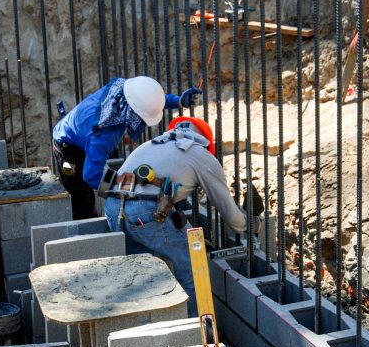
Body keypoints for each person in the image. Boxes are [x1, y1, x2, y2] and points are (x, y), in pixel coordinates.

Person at [102, 116, 263, 316]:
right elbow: (231, 216)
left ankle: (150, 329)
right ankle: (198, 331)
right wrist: (251, 223)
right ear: (205, 142)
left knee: (141, 277)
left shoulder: (152, 144)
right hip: (144, 213)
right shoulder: (200, 156)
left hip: (111, 208)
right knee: (194, 265)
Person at [52, 76, 201, 219]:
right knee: (82, 194)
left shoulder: (124, 91)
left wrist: (178, 101)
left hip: (80, 131)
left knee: (98, 171)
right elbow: (91, 175)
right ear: (134, 115)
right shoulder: (104, 134)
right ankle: (84, 234)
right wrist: (122, 190)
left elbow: (146, 101)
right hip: (67, 147)